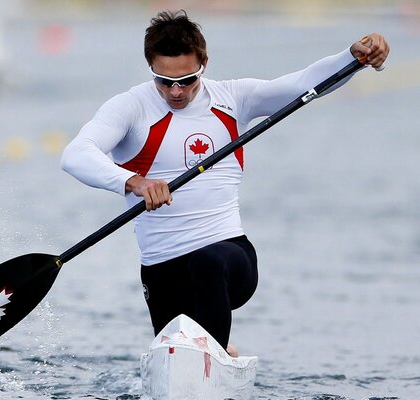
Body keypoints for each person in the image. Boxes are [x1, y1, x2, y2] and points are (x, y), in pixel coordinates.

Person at [60, 10, 390, 356]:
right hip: (163, 271)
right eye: (164, 80)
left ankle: (213, 353)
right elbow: (76, 154)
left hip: (230, 259)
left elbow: (303, 83)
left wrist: (352, 57)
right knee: (175, 354)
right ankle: (218, 352)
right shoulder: (130, 108)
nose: (176, 91)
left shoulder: (233, 98)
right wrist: (132, 181)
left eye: (187, 80)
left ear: (204, 63)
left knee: (207, 262)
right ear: (150, 68)